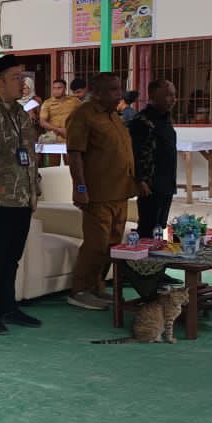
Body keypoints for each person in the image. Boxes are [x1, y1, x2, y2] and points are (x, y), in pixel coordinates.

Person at [0, 54, 42, 335]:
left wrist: (35, 190)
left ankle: (7, 307)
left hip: (22, 197)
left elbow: (31, 156)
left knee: (12, 257)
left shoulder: (21, 115)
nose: (22, 83)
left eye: (22, 77)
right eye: (15, 78)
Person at [65, 72, 135, 310]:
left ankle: (97, 287)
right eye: (114, 90)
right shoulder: (83, 115)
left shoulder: (113, 116)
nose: (119, 94)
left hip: (120, 191)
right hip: (96, 193)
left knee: (113, 243)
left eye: (119, 89)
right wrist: (80, 188)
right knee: (96, 243)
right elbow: (75, 154)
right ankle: (80, 290)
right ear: (98, 92)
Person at [129, 80, 177, 238]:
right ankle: (140, 261)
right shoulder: (141, 121)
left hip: (166, 182)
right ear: (154, 95)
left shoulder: (166, 119)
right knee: (147, 227)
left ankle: (157, 261)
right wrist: (140, 180)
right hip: (150, 184)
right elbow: (135, 152)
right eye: (168, 95)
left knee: (159, 227)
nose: (173, 99)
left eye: (174, 95)